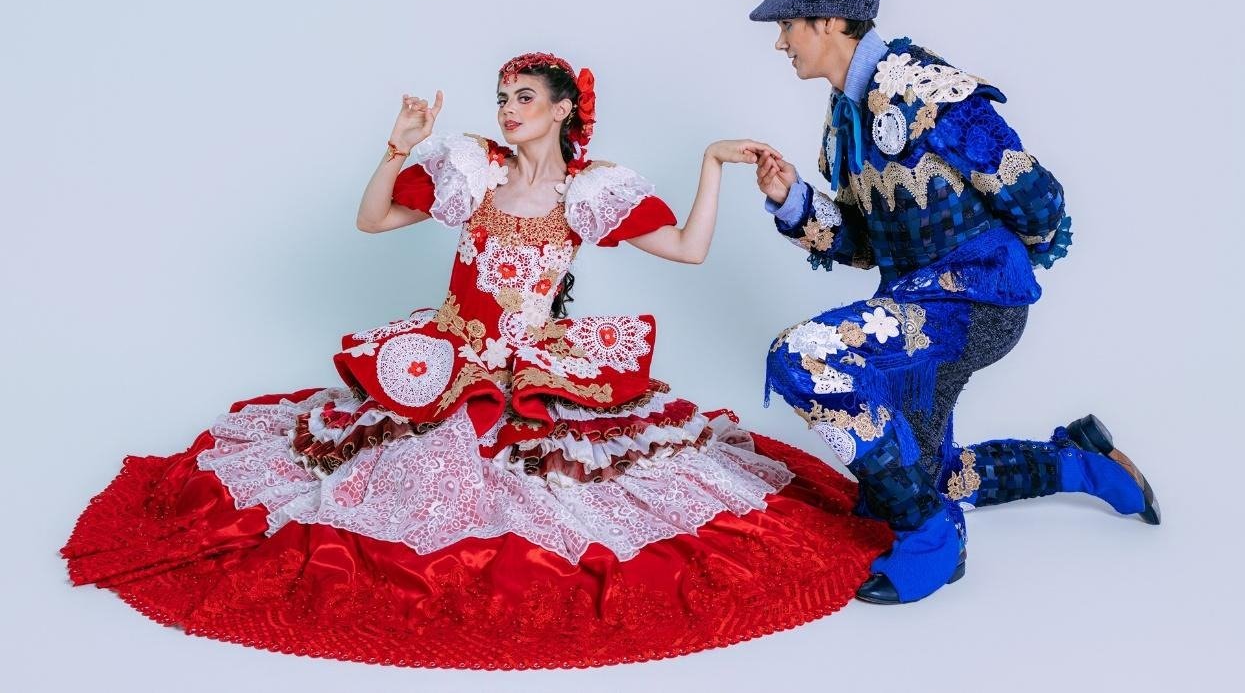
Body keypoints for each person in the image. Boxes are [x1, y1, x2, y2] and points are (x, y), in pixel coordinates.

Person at [62, 52, 891, 668]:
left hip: (533, 364)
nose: (508, 109)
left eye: (524, 97)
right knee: (397, 470)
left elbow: (687, 248)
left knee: (570, 484)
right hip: (452, 353)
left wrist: (710, 164)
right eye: (502, 98)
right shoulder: (474, 171)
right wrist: (396, 148)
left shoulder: (588, 190)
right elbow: (373, 221)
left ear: (563, 109)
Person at [749, 0, 1160, 604]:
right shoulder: (845, 115)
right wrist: (792, 199)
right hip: (913, 306)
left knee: (802, 357)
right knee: (929, 474)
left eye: (788, 25)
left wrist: (995, 267)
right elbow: (865, 243)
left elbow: (1037, 196)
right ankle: (1086, 465)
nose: (780, 42)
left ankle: (932, 538)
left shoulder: (926, 89)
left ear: (829, 22)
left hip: (973, 303)